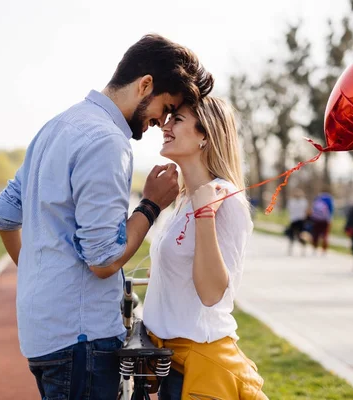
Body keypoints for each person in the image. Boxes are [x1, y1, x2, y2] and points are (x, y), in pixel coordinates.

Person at [0, 34, 213, 400]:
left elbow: (4, 214)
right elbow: (103, 259)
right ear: (145, 85)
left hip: (41, 332)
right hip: (81, 340)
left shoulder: (57, 126)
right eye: (166, 107)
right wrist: (151, 205)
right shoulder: (106, 141)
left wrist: (38, 272)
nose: (161, 122)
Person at [143, 97, 267, 399]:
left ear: (205, 135)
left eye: (178, 120)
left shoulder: (227, 202)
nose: (165, 125)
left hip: (201, 366)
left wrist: (206, 214)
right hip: (169, 362)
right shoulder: (182, 198)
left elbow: (212, 294)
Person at [310, 189, 335, 255]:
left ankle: (314, 248)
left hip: (316, 220)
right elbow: (331, 210)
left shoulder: (318, 198)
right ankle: (324, 250)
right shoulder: (329, 199)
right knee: (325, 235)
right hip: (325, 220)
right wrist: (330, 219)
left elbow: (313, 208)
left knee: (316, 234)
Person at [286, 188, 309, 255]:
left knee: (301, 236)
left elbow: (305, 211)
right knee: (292, 235)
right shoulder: (291, 201)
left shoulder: (303, 202)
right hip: (294, 220)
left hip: (300, 220)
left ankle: (303, 248)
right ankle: (291, 248)